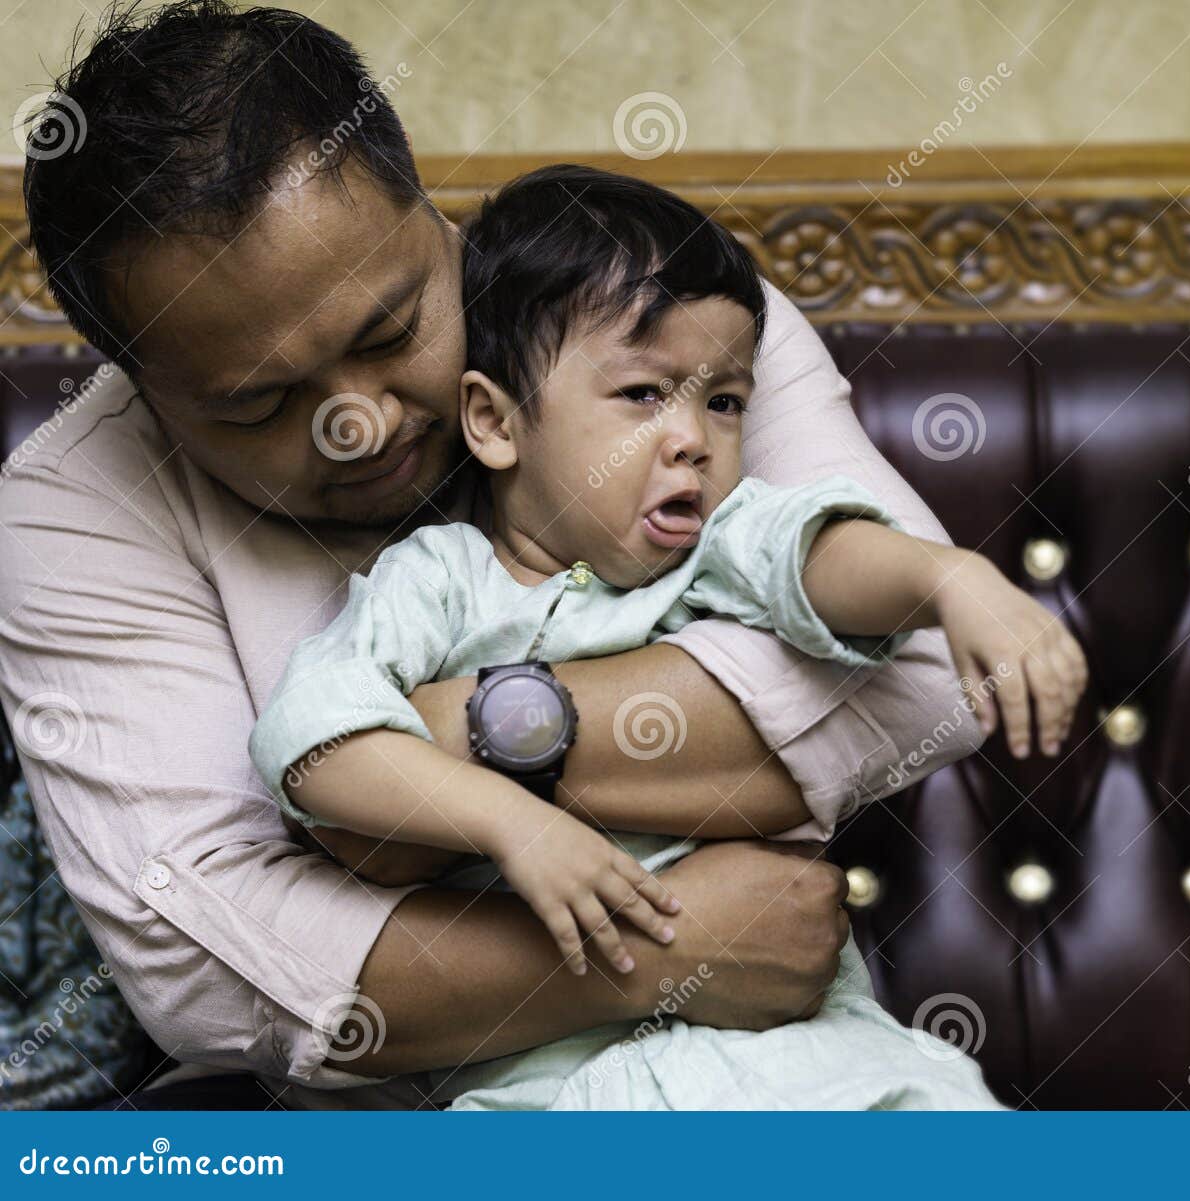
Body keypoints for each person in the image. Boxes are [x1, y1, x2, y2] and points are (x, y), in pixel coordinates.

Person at [2, 2, 1084, 1105]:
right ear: (146, 390)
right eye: (259, 405)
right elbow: (204, 966)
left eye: (388, 334)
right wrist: (676, 952)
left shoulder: (654, 319)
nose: (357, 424)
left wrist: (443, 744)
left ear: (434, 221)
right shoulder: (69, 506)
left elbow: (926, 679)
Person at [248, 166, 1082, 1108]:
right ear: (493, 420)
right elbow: (315, 744)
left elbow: (823, 559)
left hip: (799, 1069)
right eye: (644, 393)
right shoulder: (433, 584)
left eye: (724, 401)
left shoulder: (722, 543)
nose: (692, 437)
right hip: (543, 1088)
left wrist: (949, 579)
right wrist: (509, 821)